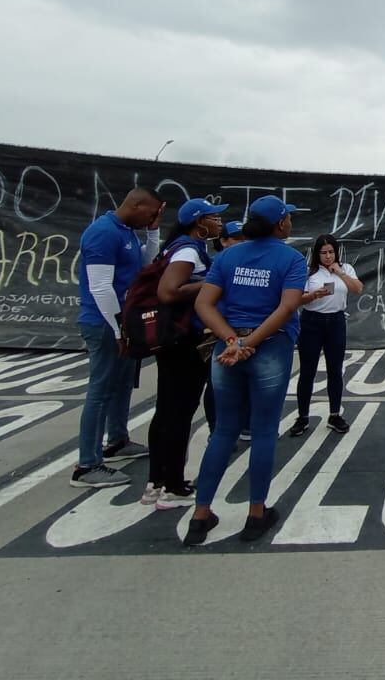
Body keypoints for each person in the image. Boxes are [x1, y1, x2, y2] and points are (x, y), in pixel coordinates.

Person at [186, 196, 308, 545]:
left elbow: (203, 303)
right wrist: (250, 342)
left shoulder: (228, 256)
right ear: (280, 224)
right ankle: (256, 514)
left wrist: (231, 340)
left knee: (223, 431)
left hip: (227, 350)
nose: (291, 223)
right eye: (289, 218)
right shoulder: (291, 258)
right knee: (265, 430)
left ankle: (200, 514)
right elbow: (287, 308)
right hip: (269, 347)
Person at [71, 187, 164, 489]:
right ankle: (87, 465)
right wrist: (117, 328)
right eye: (151, 213)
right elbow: (100, 287)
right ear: (136, 205)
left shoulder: (126, 231)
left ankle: (118, 440)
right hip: (104, 323)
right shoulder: (103, 233)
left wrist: (153, 233)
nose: (153, 218)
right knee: (100, 391)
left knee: (123, 383)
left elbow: (146, 268)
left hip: (123, 322)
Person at [140, 197, 229, 508]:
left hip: (171, 340)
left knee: (166, 409)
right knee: (179, 412)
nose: (219, 221)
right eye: (214, 217)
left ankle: (155, 481)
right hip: (183, 341)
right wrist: (211, 282)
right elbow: (168, 291)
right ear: (198, 222)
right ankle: (173, 486)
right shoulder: (189, 250)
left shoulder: (177, 246)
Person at [289, 235, 364, 438]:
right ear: (317, 254)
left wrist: (340, 273)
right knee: (308, 370)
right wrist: (313, 295)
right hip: (312, 321)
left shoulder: (345, 268)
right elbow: (296, 299)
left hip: (336, 321)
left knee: (335, 369)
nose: (328, 256)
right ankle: (302, 416)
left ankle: (334, 414)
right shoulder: (309, 272)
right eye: (324, 253)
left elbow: (358, 288)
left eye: (331, 252)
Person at [204, 220, 248, 433]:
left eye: (245, 238)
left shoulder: (249, 262)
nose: (242, 242)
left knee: (246, 378)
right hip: (220, 331)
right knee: (217, 383)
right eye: (236, 238)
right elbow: (205, 302)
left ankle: (245, 424)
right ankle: (216, 428)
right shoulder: (218, 263)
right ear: (223, 241)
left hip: (246, 330)